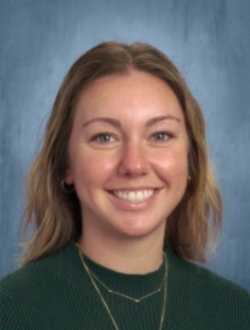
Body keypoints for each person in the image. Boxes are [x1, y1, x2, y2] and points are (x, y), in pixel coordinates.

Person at [1, 41, 249, 330]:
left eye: (160, 136)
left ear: (190, 161)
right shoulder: (10, 312)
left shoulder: (237, 312)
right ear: (65, 164)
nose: (134, 165)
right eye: (105, 137)